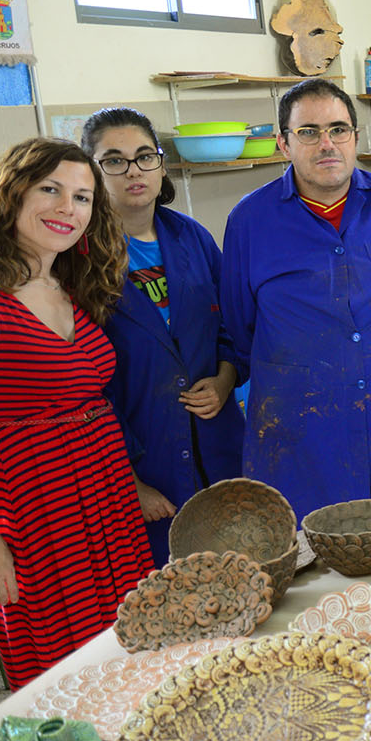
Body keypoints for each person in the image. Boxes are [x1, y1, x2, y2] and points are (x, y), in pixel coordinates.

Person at [0, 138, 155, 687]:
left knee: (130, 649)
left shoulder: (72, 289)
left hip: (108, 499)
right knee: (60, 670)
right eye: (50, 189)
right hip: (34, 514)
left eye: (82, 197)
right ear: (11, 194)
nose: (66, 208)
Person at [220, 78, 371, 535]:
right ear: (284, 143)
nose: (326, 144)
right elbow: (240, 325)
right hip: (302, 436)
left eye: (338, 129)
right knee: (317, 580)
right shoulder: (249, 221)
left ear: (356, 137)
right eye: (308, 132)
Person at [83, 108, 244, 564]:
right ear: (91, 172)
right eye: (113, 161)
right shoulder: (79, 259)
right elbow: (84, 386)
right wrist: (128, 482)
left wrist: (225, 379)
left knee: (242, 579)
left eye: (144, 157)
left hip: (218, 446)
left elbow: (230, 326)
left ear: (161, 165)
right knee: (170, 599)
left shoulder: (190, 237)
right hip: (142, 461)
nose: (133, 171)